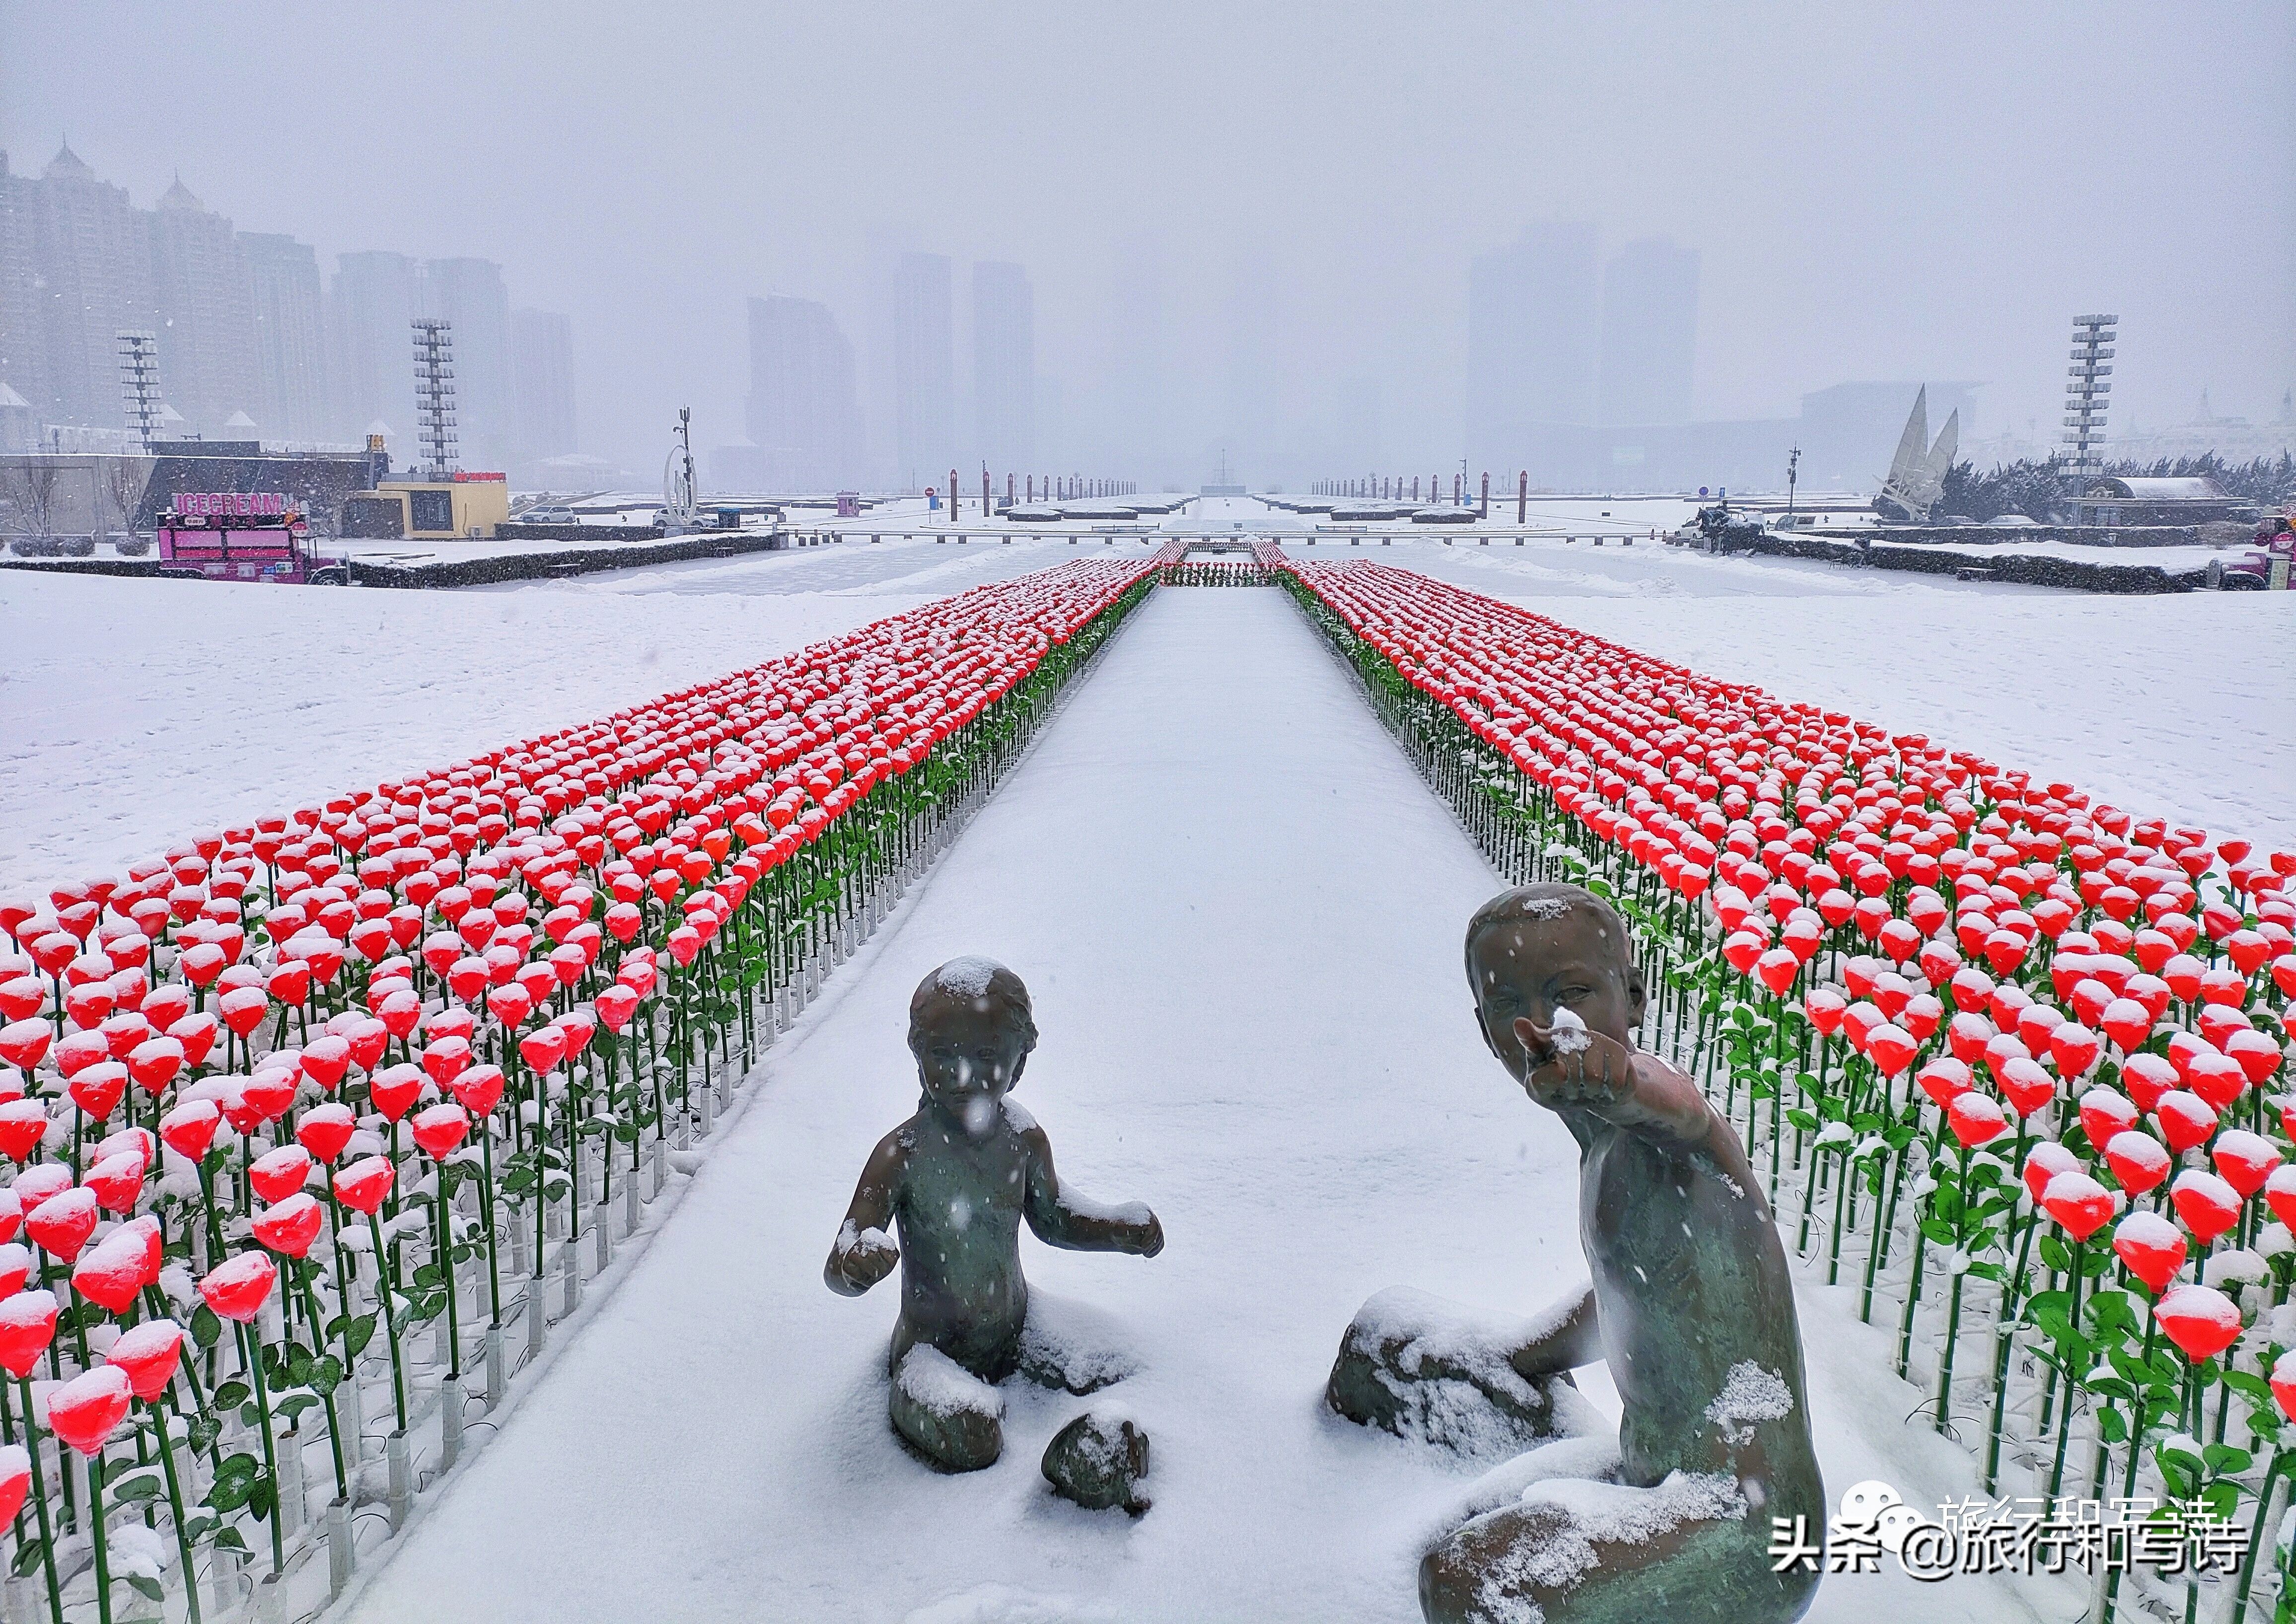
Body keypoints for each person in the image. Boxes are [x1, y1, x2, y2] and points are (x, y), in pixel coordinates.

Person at [1410, 882, 1824, 1624]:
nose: (1543, 1023)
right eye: (1512, 1005)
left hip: (1749, 1523)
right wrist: (1523, 1354)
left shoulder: (1675, 1137)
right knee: (1442, 1538)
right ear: (1485, 1029)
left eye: (1571, 991)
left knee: (1467, 1580)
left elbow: (1685, 1112)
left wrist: (1619, 1077)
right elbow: (1631, 1294)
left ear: (1633, 996)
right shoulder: (1600, 1146)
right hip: (1654, 1475)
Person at [825, 956, 1164, 1471]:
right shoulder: (904, 1153)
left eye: (986, 1056)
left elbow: (1054, 1218)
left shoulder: (1021, 1139)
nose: (963, 1075)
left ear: (1019, 1063)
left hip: (1019, 1329)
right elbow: (846, 1248)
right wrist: (854, 1261)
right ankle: (975, 1423)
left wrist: (1117, 1228)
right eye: (943, 1054)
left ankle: (1089, 1447)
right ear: (919, 1056)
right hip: (929, 1353)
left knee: (1122, 1367)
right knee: (974, 1440)